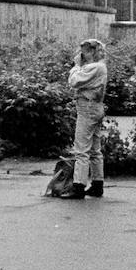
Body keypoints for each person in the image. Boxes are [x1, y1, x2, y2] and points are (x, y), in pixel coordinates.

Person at [60, 38, 108, 199]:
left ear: (92, 51)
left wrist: (76, 66)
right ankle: (97, 184)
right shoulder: (99, 66)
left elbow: (74, 81)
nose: (82, 54)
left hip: (87, 108)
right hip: (95, 107)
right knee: (95, 149)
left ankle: (78, 186)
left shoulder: (94, 67)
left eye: (85, 51)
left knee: (81, 149)